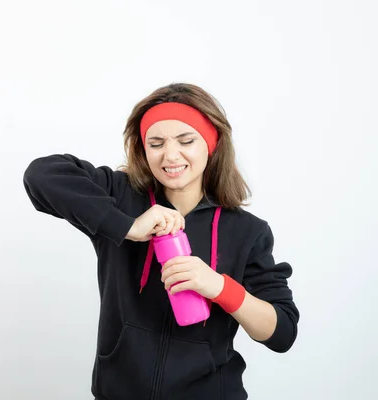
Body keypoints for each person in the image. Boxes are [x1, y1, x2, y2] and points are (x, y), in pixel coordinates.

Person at [22, 82, 299, 399]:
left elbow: (282, 333)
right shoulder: (120, 197)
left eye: (186, 141)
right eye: (156, 143)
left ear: (211, 144)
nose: (170, 155)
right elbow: (41, 175)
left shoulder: (248, 231)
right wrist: (128, 226)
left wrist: (218, 287)